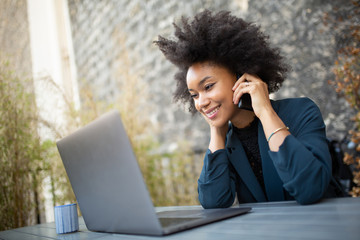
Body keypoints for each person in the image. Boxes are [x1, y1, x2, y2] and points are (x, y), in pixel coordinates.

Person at [155, 10, 342, 207]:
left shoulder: (301, 112)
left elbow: (310, 189)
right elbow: (213, 203)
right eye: (194, 95)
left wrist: (265, 112)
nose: (201, 102)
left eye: (208, 87)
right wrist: (216, 131)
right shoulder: (226, 143)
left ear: (240, 76)